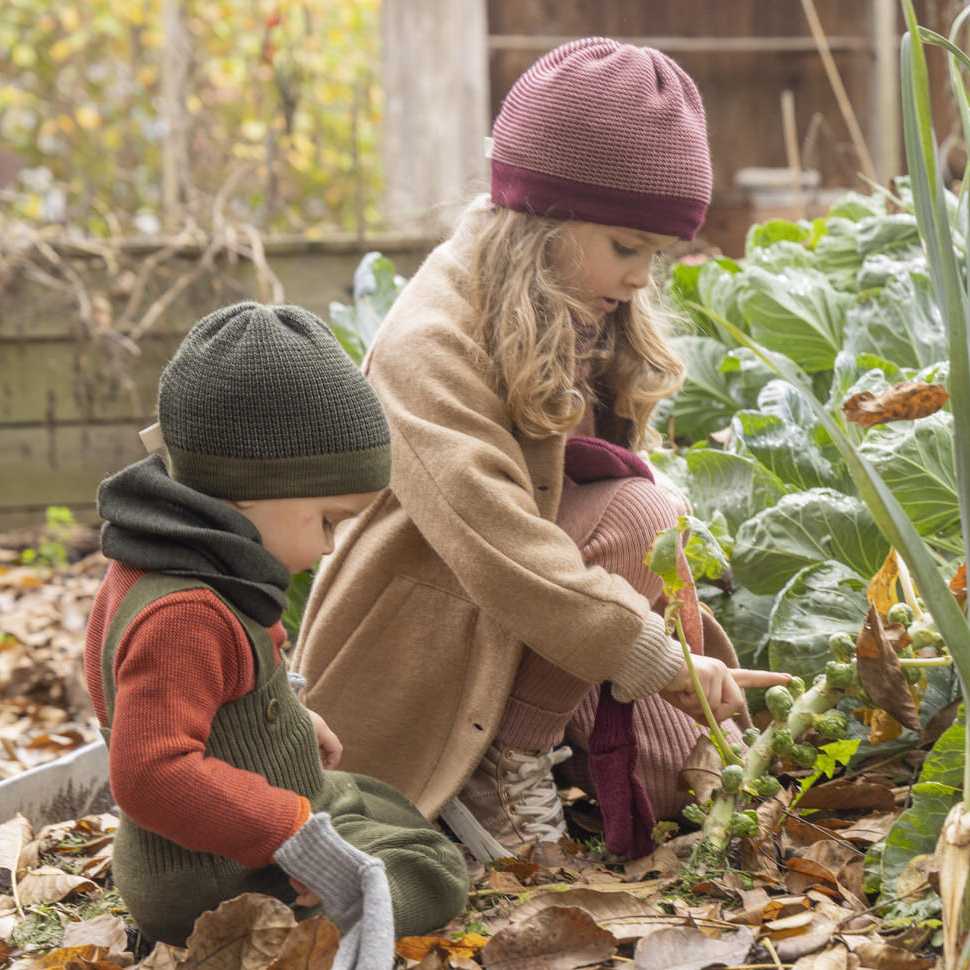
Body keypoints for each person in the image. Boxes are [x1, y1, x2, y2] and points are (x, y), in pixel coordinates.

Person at [293, 38, 789, 859]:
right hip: (421, 628)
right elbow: (501, 547)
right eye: (626, 247)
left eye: (656, 256)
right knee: (636, 513)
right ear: (541, 217)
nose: (640, 279)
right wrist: (653, 657)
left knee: (665, 791)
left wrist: (674, 664)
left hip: (523, 616)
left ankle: (544, 740)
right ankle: (500, 761)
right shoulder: (430, 339)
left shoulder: (573, 305)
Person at [84, 303, 468, 966]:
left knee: (387, 804)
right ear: (246, 494)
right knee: (432, 869)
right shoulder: (186, 612)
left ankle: (332, 869)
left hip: (239, 821)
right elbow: (148, 772)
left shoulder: (179, 557)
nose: (328, 545)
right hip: (210, 873)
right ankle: (335, 917)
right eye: (327, 520)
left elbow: (226, 690)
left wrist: (290, 716)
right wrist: (289, 833)